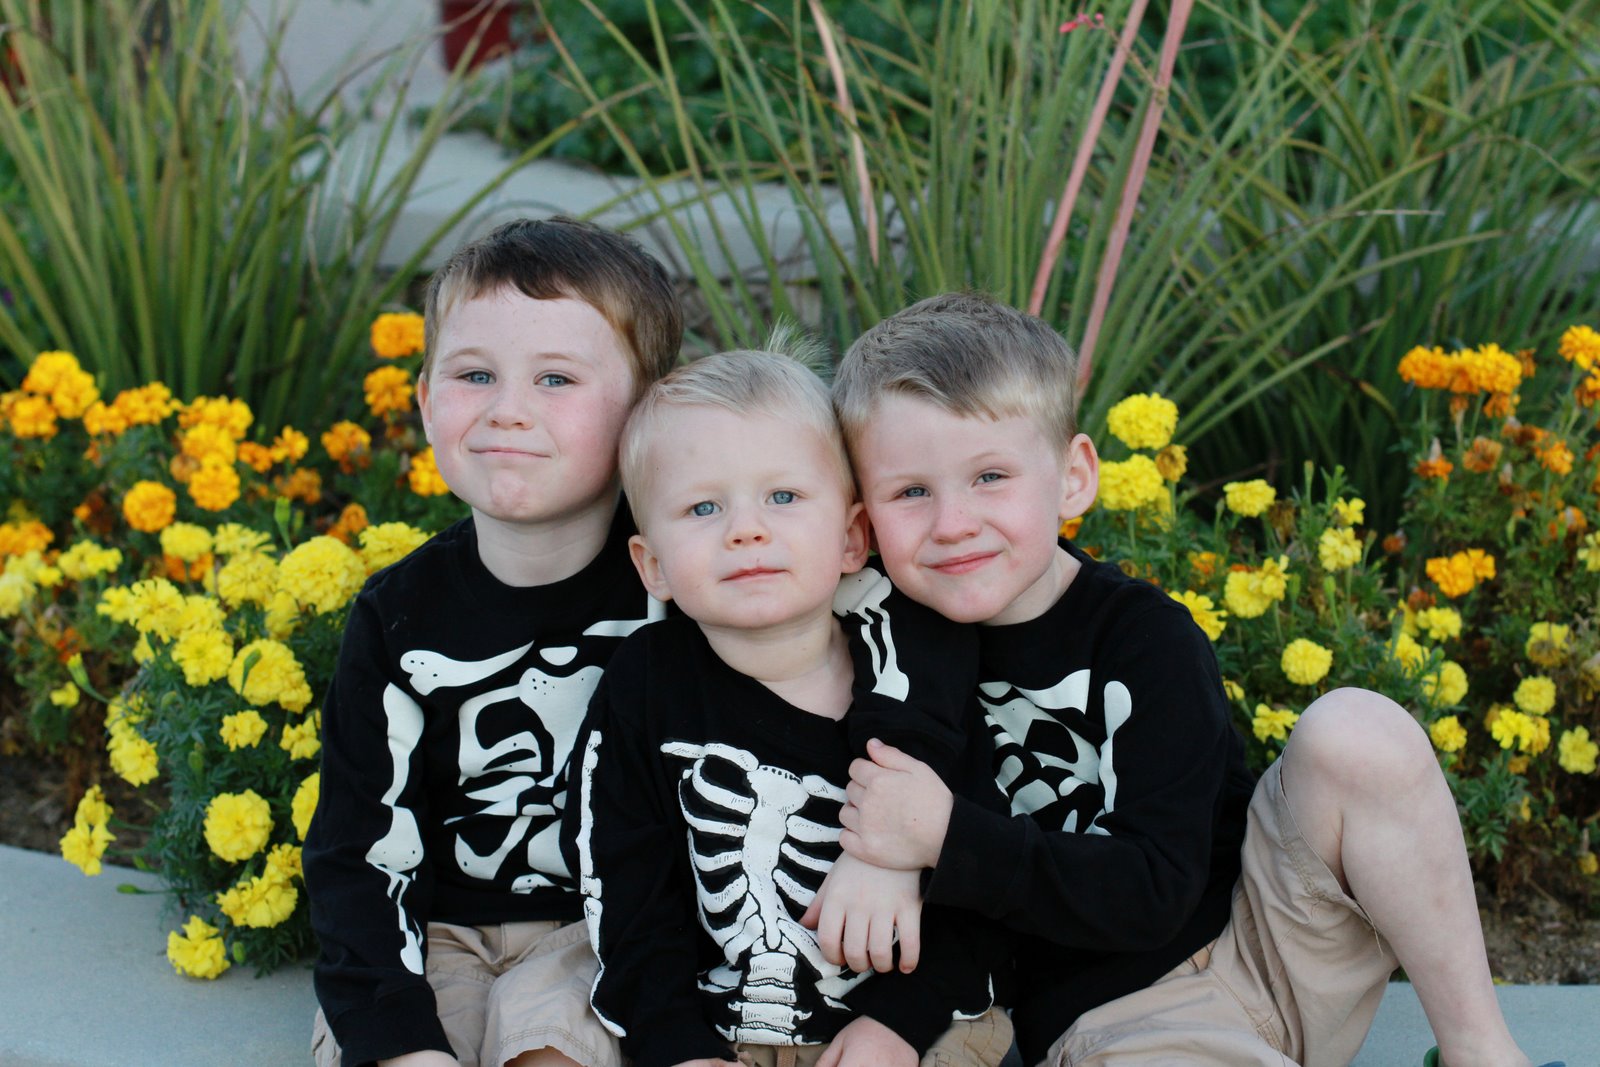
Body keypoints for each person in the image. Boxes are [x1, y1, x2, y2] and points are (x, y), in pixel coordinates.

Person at [818, 291, 1561, 1067]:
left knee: (1357, 732)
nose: (953, 523)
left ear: (1072, 477)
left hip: (1269, 936)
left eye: (990, 475)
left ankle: (1483, 1052)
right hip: (1120, 1022)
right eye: (911, 491)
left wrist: (945, 836)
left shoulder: (1145, 636)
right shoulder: (886, 661)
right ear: (860, 519)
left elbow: (1157, 885)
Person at [560, 345, 1015, 1067]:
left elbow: (976, 868)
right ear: (653, 566)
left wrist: (898, 1024)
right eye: (703, 507)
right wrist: (675, 1046)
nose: (746, 529)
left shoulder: (910, 686)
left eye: (783, 497)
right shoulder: (645, 685)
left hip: (917, 1024)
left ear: (852, 538)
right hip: (710, 1030)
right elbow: (625, 884)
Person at [303, 216, 683, 1067]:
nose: (508, 410)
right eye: (475, 375)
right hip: (431, 934)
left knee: (554, 1046)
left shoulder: (679, 592)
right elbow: (355, 852)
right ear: (425, 400)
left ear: (647, 413)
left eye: (556, 378)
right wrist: (402, 1040)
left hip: (605, 932)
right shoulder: (398, 619)